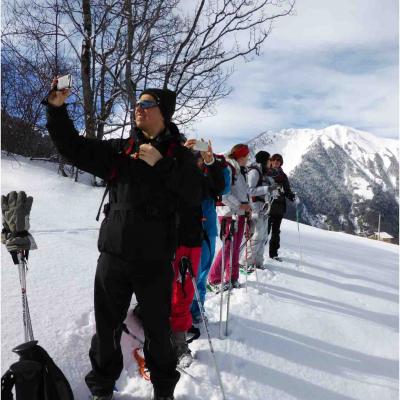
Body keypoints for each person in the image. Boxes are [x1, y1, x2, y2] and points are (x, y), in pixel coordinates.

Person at [43, 80, 202, 400]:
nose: (138, 109)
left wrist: (162, 164)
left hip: (155, 261)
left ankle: (163, 391)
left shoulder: (179, 156)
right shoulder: (121, 150)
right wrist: (57, 110)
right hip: (113, 256)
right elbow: (74, 148)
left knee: (159, 332)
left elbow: (196, 192)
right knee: (106, 331)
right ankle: (101, 388)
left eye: (146, 104)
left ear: (163, 113)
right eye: (137, 104)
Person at [169, 139, 226, 368]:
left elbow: (218, 186)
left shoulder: (198, 179)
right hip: (164, 238)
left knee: (184, 288)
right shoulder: (167, 171)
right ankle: (164, 335)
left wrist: (211, 161)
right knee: (166, 287)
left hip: (190, 239)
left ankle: (179, 340)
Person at [189, 146, 231, 325]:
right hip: (186, 228)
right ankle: (184, 311)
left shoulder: (213, 173)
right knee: (188, 272)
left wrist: (215, 164)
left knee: (202, 271)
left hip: (207, 229)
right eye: (196, 156)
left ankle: (197, 310)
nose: (200, 160)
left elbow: (224, 188)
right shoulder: (182, 171)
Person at [208, 144, 252, 290]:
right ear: (241, 156)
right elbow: (224, 194)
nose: (248, 158)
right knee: (228, 246)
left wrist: (246, 206)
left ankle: (232, 278)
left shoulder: (240, 170)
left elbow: (243, 192)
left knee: (235, 246)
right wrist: (240, 205)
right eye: (246, 155)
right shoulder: (229, 168)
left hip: (238, 213)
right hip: (228, 213)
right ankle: (214, 279)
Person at [240, 150, 275, 270]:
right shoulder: (254, 171)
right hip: (255, 207)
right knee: (257, 235)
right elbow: (249, 190)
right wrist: (267, 189)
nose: (271, 162)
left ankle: (258, 262)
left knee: (264, 235)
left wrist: (271, 191)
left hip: (263, 207)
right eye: (269, 159)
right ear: (264, 160)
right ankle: (247, 262)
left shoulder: (263, 172)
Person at [267, 153, 295, 261]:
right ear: (271, 161)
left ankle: (273, 254)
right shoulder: (266, 173)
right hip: (268, 207)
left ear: (281, 163)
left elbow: (287, 190)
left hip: (279, 208)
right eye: (274, 160)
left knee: (276, 232)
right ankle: (258, 254)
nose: (276, 162)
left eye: (278, 161)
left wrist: (292, 197)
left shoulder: (283, 176)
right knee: (265, 231)